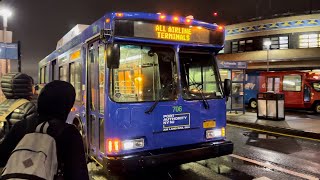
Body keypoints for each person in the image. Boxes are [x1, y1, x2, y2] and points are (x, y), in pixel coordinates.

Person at [0, 80, 89, 180]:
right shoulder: (69, 134)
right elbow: (78, 174)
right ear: (66, 105)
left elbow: (2, 158)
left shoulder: (21, 126)